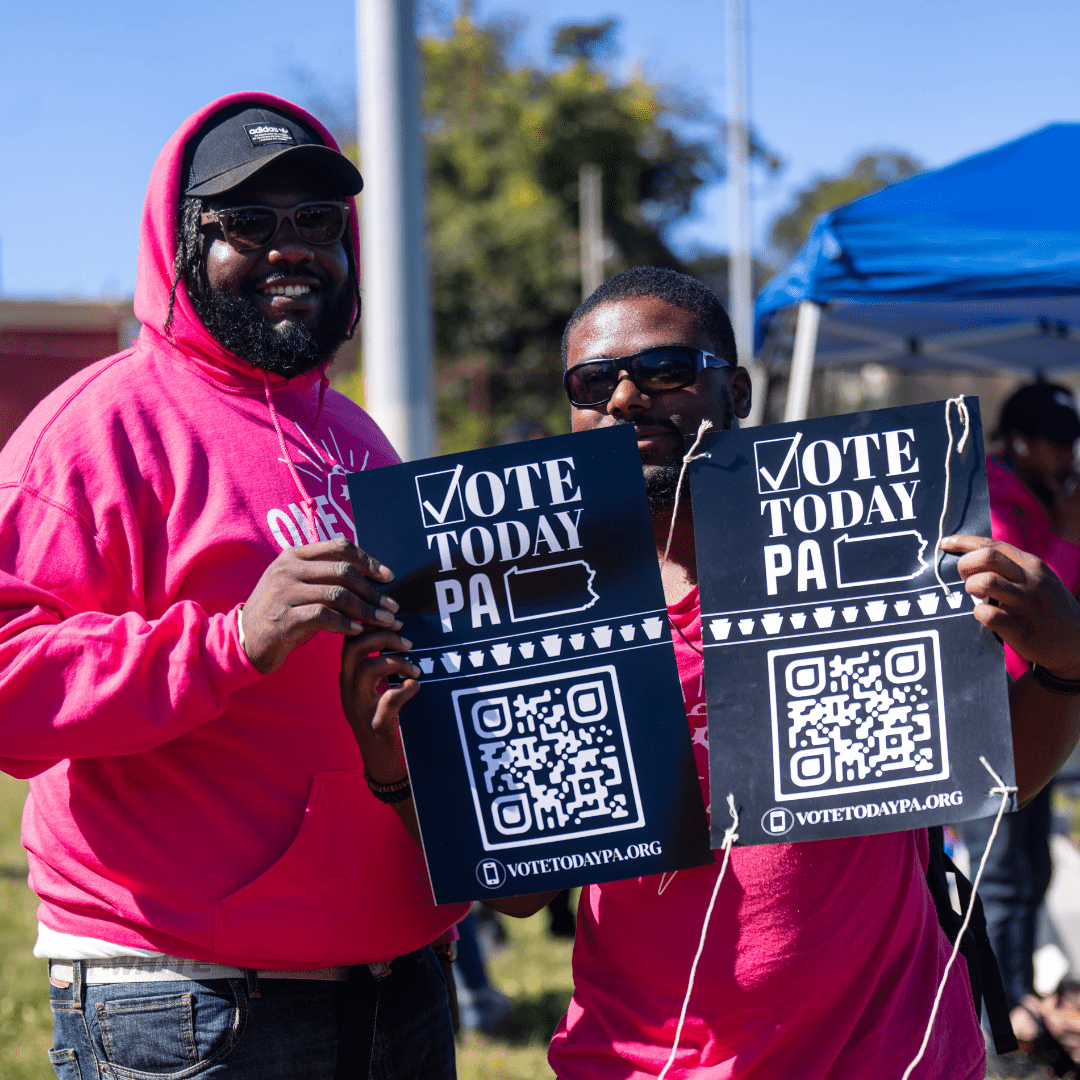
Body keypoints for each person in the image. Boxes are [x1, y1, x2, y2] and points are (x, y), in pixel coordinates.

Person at [0, 93, 469, 1079]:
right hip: (188, 997)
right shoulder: (94, 432)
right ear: (180, 245)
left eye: (315, 222)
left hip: (398, 978)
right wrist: (230, 642)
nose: (289, 246)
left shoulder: (357, 438)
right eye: (246, 223)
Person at [531, 266, 1080, 1079]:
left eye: (665, 371)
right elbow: (514, 893)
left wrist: (1068, 664)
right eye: (594, 380)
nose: (625, 399)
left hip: (890, 1055)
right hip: (638, 1060)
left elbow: (996, 777)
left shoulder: (866, 560)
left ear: (739, 392)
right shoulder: (546, 610)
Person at [965, 382, 1080, 1056]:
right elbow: (1025, 617)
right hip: (997, 715)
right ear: (1021, 443)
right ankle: (995, 1030)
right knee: (999, 875)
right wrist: (1067, 533)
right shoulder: (991, 503)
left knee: (1031, 868)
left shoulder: (1045, 494)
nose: (1068, 453)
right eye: (1058, 441)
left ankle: (1020, 1010)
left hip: (1046, 708)